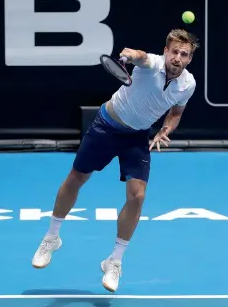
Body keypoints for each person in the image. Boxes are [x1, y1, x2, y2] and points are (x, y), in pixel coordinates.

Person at [31, 28, 199, 292]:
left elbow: (176, 113)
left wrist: (166, 129)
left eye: (184, 54)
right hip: (107, 126)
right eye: (174, 52)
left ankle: (114, 261)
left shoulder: (187, 84)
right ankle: (52, 237)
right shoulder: (151, 64)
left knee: (137, 196)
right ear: (166, 51)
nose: (178, 58)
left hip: (137, 137)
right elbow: (141, 56)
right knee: (77, 178)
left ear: (190, 59)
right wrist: (131, 55)